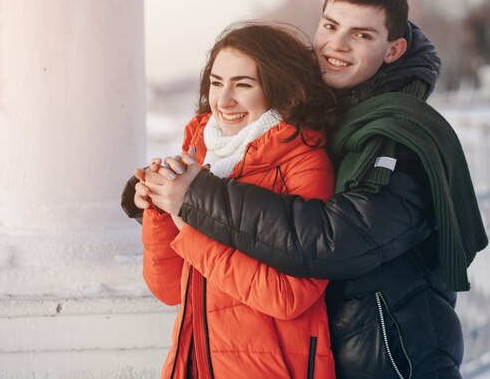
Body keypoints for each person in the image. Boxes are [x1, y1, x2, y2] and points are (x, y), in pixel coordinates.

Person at [124, 0, 489, 379]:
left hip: (395, 357)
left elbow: (335, 241)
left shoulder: (399, 137)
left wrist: (193, 200)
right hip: (341, 351)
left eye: (362, 35)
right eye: (331, 26)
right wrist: (155, 194)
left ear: (393, 49)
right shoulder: (329, 114)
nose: (337, 44)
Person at [135, 23, 338, 379]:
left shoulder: (303, 161)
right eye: (216, 82)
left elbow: (290, 295)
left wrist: (189, 220)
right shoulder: (200, 154)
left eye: (243, 85)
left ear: (280, 88)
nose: (223, 100)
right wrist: (160, 208)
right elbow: (168, 289)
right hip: (193, 365)